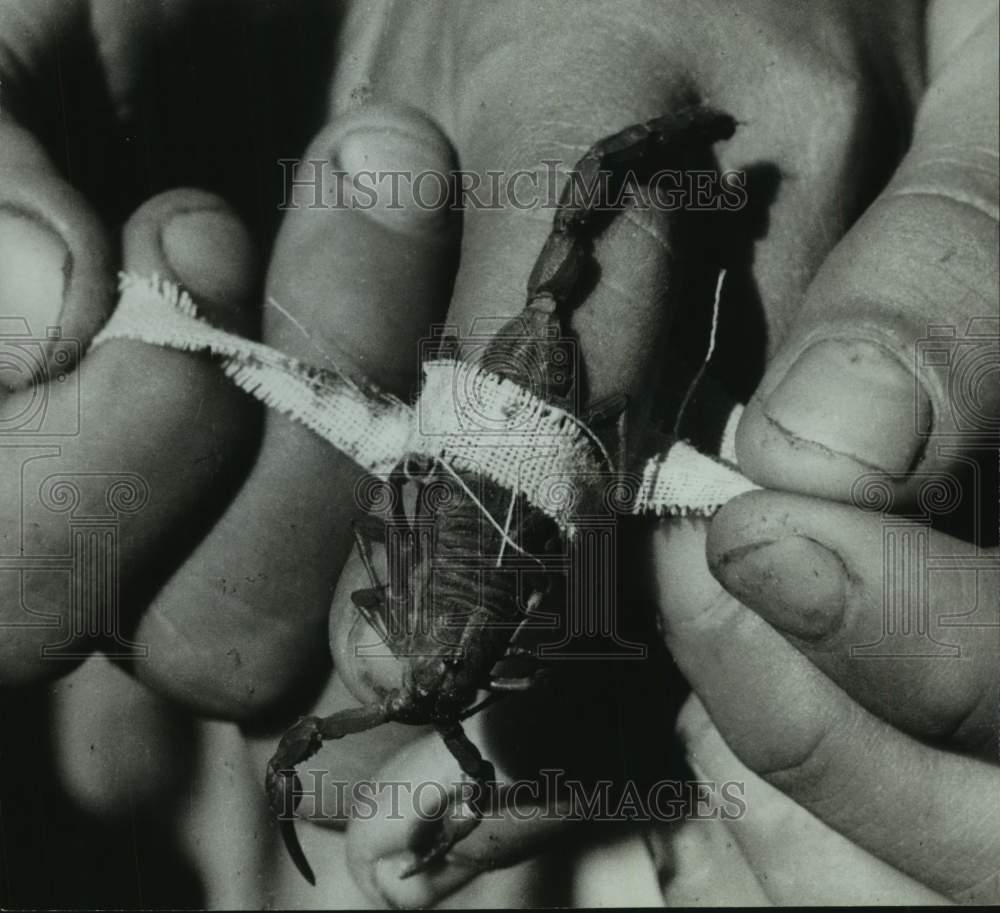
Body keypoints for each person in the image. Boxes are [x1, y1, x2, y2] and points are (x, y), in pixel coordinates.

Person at [0, 0, 996, 907]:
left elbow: (429, 561)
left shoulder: (433, 666)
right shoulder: (452, 680)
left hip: (523, 448)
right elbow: (460, 590)